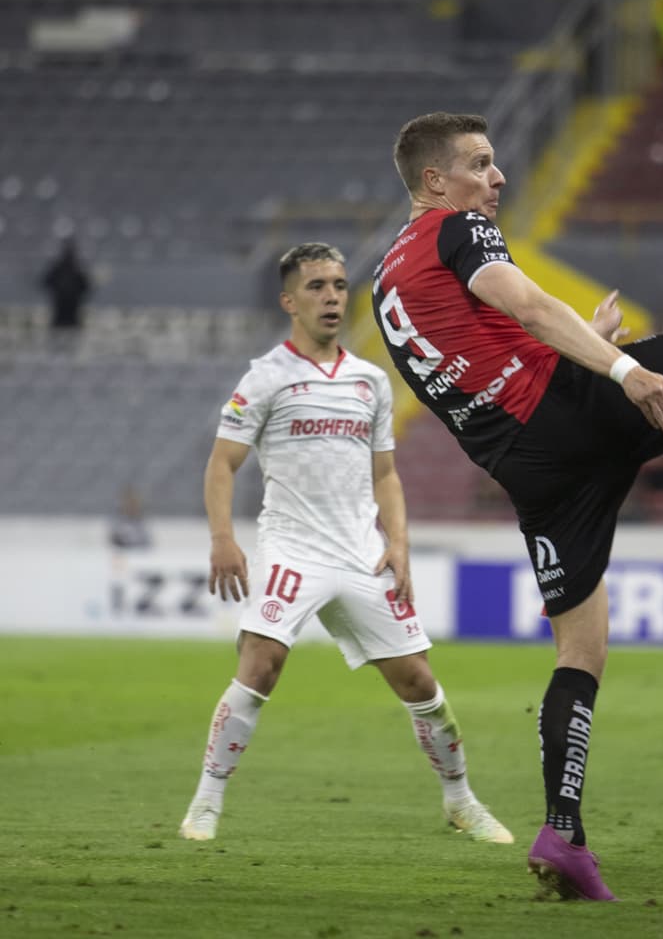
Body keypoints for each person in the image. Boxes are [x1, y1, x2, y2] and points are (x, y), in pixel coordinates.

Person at [374, 113, 663, 901]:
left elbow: (479, 352)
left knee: (582, 650)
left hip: (529, 472)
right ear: (435, 183)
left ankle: (563, 835)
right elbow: (528, 305)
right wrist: (618, 370)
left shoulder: (385, 279)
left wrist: (585, 345)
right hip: (570, 411)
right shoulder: (457, 228)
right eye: (480, 163)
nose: (495, 179)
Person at [179, 243, 511, 846]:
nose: (332, 296)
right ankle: (206, 803)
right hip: (292, 550)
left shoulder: (370, 381)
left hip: (362, 553)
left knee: (421, 686)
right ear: (289, 301)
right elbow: (222, 464)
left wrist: (400, 543)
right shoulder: (265, 378)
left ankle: (461, 801)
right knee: (261, 666)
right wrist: (222, 538)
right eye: (316, 287)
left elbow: (385, 473)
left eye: (338, 285)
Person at [42, 238, 91, 332]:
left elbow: (86, 287)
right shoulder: (59, 270)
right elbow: (45, 282)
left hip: (72, 315)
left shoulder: (76, 271)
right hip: (60, 315)